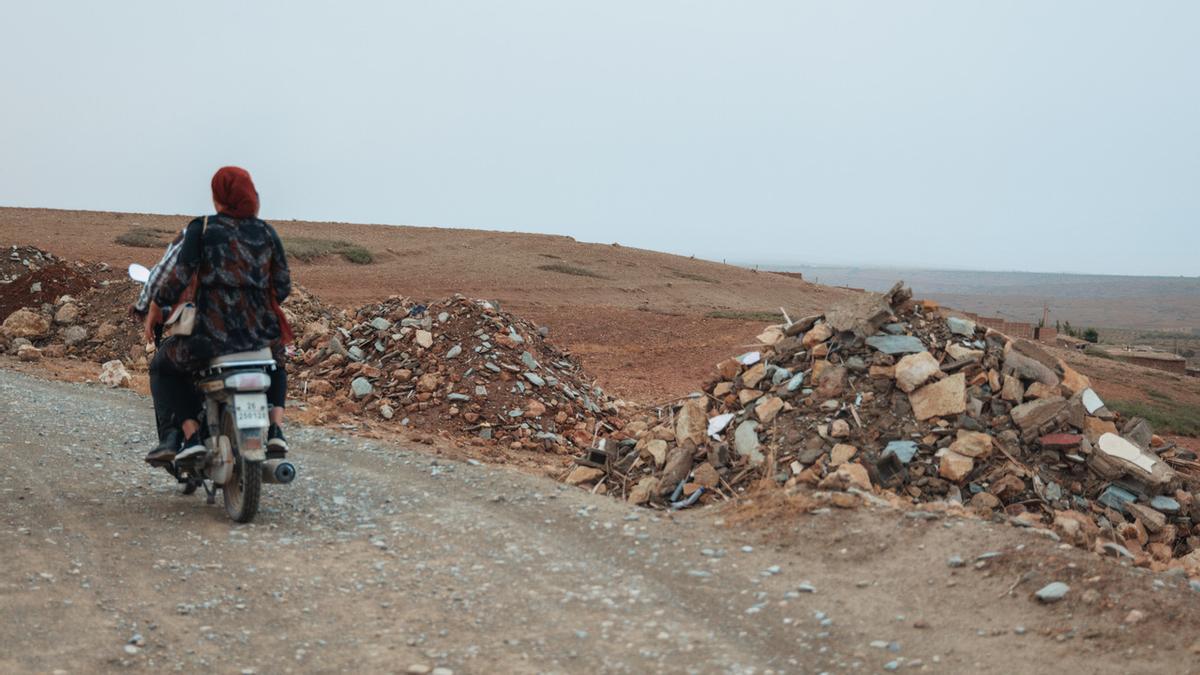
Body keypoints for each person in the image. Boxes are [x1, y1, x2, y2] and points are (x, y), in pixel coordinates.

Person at [142, 166, 292, 463]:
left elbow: (179, 277)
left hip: (211, 337)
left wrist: (156, 307)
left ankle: (190, 434)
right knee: (277, 362)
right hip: (260, 335)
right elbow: (283, 286)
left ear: (217, 197)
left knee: (163, 366)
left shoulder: (203, 228)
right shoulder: (267, 232)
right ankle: (276, 428)